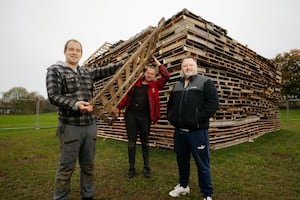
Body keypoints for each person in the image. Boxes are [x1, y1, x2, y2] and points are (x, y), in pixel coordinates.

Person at [46, 39, 123, 200]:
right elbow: (53, 96)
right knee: (66, 166)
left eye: (78, 50)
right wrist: (75, 104)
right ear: (65, 51)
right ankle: (61, 197)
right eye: (71, 49)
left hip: (89, 126)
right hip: (70, 126)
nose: (74, 52)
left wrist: (126, 61)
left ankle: (87, 195)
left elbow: (106, 70)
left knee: (88, 165)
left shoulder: (86, 72)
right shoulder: (56, 70)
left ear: (81, 53)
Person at [167, 56, 218, 200]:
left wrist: (196, 119)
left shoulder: (205, 83)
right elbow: (169, 106)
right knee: (182, 161)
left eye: (190, 65)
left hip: (197, 132)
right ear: (181, 69)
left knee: (202, 163)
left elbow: (213, 104)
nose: (188, 68)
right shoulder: (177, 85)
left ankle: (207, 193)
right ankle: (184, 186)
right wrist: (172, 118)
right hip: (180, 132)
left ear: (196, 67)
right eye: (185, 66)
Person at [112, 56, 170, 178]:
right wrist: (118, 107)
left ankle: (146, 168)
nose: (150, 75)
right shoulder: (135, 83)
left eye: (152, 74)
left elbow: (167, 76)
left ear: (155, 75)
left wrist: (158, 64)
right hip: (131, 117)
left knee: (145, 142)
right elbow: (127, 96)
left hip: (145, 119)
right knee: (131, 143)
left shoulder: (155, 85)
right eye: (148, 73)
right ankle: (131, 168)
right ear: (144, 73)